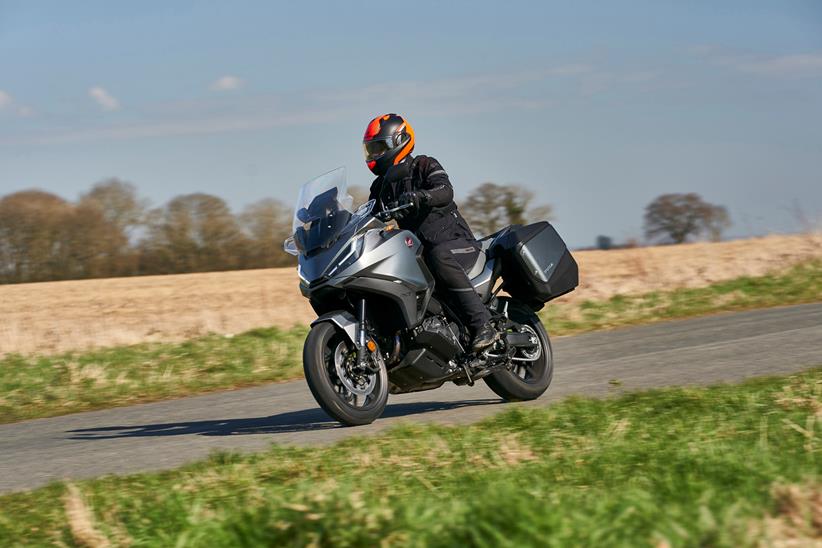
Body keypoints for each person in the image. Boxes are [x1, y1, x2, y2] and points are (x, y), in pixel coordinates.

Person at [363, 113, 497, 351]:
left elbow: (445, 190)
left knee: (439, 256)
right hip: (419, 251)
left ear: (400, 141)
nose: (374, 155)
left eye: (379, 148)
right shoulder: (380, 186)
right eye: (371, 150)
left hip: (455, 242)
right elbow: (367, 216)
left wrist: (421, 196)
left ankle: (483, 324)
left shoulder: (423, 165)